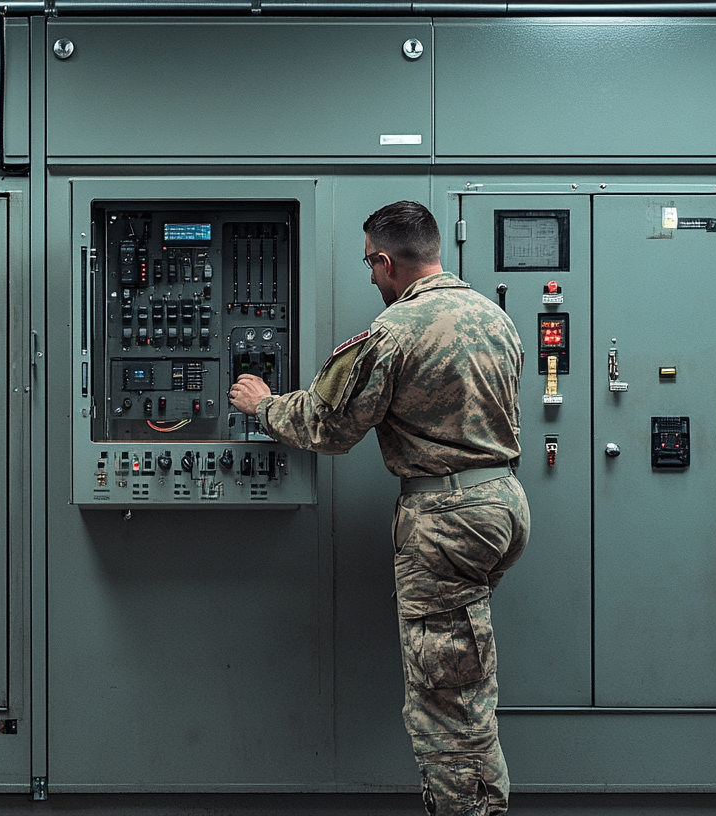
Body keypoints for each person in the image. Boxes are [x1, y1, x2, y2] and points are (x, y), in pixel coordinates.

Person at [228, 200, 530, 816]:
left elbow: (327, 425)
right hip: (500, 506)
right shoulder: (493, 316)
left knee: (444, 696)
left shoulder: (395, 330)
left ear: (387, 261)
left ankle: (472, 810)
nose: (370, 277)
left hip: (445, 519)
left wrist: (261, 404)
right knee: (464, 670)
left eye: (370, 265)